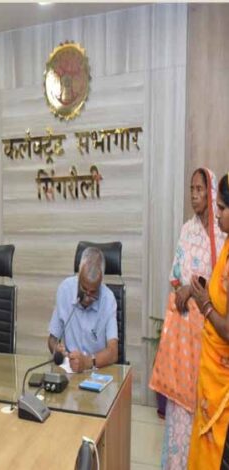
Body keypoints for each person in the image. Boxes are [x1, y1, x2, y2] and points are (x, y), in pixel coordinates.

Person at [149, 168, 226, 469]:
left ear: (212, 193)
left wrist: (194, 290)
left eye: (200, 189)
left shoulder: (223, 235)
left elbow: (217, 288)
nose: (194, 195)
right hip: (184, 336)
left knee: (203, 406)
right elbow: (176, 277)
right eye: (191, 189)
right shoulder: (186, 230)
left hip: (211, 335)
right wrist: (183, 289)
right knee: (180, 411)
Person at [188, 172, 229, 469]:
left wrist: (204, 304)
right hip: (213, 372)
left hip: (223, 385)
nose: (217, 215)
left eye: (222, 209)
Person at [47, 247, 118, 372]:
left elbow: (113, 352)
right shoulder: (65, 290)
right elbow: (52, 339)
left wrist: (88, 362)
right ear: (79, 276)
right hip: (70, 369)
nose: (87, 298)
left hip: (97, 369)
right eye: (84, 289)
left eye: (93, 292)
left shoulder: (108, 299)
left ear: (101, 282)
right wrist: (57, 350)